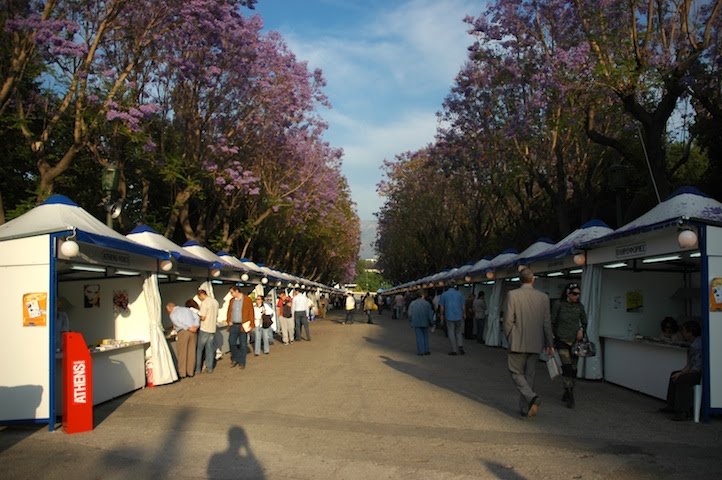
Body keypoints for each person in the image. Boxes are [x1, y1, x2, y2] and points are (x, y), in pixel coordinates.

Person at [503, 268, 554, 417]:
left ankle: (532, 397)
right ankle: (525, 408)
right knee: (529, 375)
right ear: (533, 280)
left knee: (515, 372)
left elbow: (508, 321)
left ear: (520, 280)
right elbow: (547, 323)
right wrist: (549, 343)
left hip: (517, 341)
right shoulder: (543, 297)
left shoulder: (512, 295)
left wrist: (510, 337)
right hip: (535, 343)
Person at [551, 283, 587, 408]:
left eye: (578, 294)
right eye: (574, 293)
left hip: (575, 342)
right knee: (566, 367)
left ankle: (567, 390)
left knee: (573, 369)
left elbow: (584, 321)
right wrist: (552, 340)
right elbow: (552, 321)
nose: (577, 296)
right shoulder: (558, 305)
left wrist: (581, 330)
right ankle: (570, 394)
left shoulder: (579, 307)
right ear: (568, 293)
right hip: (562, 340)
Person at [660, 321, 702, 421]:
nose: (682, 333)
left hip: (699, 373)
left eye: (684, 331)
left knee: (682, 379)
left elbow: (696, 368)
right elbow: (690, 364)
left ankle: (683, 411)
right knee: (674, 374)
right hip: (694, 370)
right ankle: (672, 406)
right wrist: (680, 372)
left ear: (690, 332)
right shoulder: (693, 344)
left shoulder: (697, 345)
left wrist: (681, 374)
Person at [167, 301, 200, 379]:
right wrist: (195, 326)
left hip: (183, 332)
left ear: (169, 308)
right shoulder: (187, 309)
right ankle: (190, 372)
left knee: (182, 353)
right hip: (193, 331)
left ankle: (182, 373)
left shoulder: (173, 314)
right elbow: (197, 317)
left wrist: (187, 328)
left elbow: (177, 323)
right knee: (191, 352)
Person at [226, 285, 254, 369]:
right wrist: (228, 320)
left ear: (237, 291)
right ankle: (235, 358)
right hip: (233, 325)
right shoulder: (232, 301)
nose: (231, 294)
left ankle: (242, 362)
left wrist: (251, 324)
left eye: (232, 292)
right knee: (231, 342)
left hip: (243, 325)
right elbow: (229, 311)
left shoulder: (247, 300)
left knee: (243, 344)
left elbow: (251, 312)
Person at [195, 289, 219, 374]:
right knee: (209, 349)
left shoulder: (204, 303)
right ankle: (210, 368)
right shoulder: (215, 302)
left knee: (200, 349)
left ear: (201, 295)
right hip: (212, 328)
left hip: (205, 328)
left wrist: (197, 315)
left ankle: (198, 368)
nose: (200, 299)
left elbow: (203, 317)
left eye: (199, 297)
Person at [439, 281, 465, 355]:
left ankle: (454, 350)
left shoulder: (444, 295)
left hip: (449, 315)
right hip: (459, 315)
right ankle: (460, 346)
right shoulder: (460, 294)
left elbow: (442, 307)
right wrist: (464, 314)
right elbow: (463, 306)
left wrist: (441, 316)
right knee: (459, 331)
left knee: (451, 332)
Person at [408, 290, 435, 355]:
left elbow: (409, 314)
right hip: (425, 322)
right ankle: (427, 350)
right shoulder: (427, 303)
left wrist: (411, 320)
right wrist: (432, 323)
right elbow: (430, 314)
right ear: (422, 296)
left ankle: (421, 351)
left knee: (419, 337)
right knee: (426, 336)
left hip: (416, 322)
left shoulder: (412, 303)